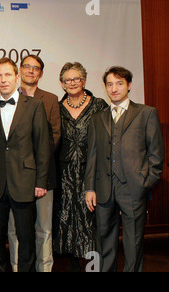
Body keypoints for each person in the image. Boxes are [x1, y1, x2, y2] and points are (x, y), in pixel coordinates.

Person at [85, 66, 164, 272]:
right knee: (104, 242)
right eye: (109, 84)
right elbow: (92, 156)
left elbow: (156, 154)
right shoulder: (97, 118)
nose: (114, 88)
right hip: (103, 190)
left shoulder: (146, 113)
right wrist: (90, 188)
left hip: (134, 188)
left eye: (119, 83)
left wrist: (146, 182)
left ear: (129, 85)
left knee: (134, 242)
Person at [0, 57, 50, 272]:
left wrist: (41, 181)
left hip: (26, 182)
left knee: (26, 239)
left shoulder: (35, 106)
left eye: (8, 74)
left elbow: (42, 147)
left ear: (17, 77)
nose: (3, 79)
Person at [7, 55, 61, 272]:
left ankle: (44, 269)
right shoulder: (7, 98)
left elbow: (54, 136)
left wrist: (35, 164)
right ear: (19, 71)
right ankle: (17, 268)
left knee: (43, 229)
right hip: (15, 177)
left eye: (35, 68)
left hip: (43, 175)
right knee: (14, 229)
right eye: (27, 66)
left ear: (41, 73)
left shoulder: (50, 99)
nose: (31, 70)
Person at [53, 62, 108, 271]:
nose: (72, 83)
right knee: (67, 223)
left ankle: (94, 267)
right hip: (64, 175)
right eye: (68, 80)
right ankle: (74, 266)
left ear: (84, 80)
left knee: (91, 223)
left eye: (76, 78)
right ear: (62, 84)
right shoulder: (56, 108)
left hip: (92, 173)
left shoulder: (99, 105)